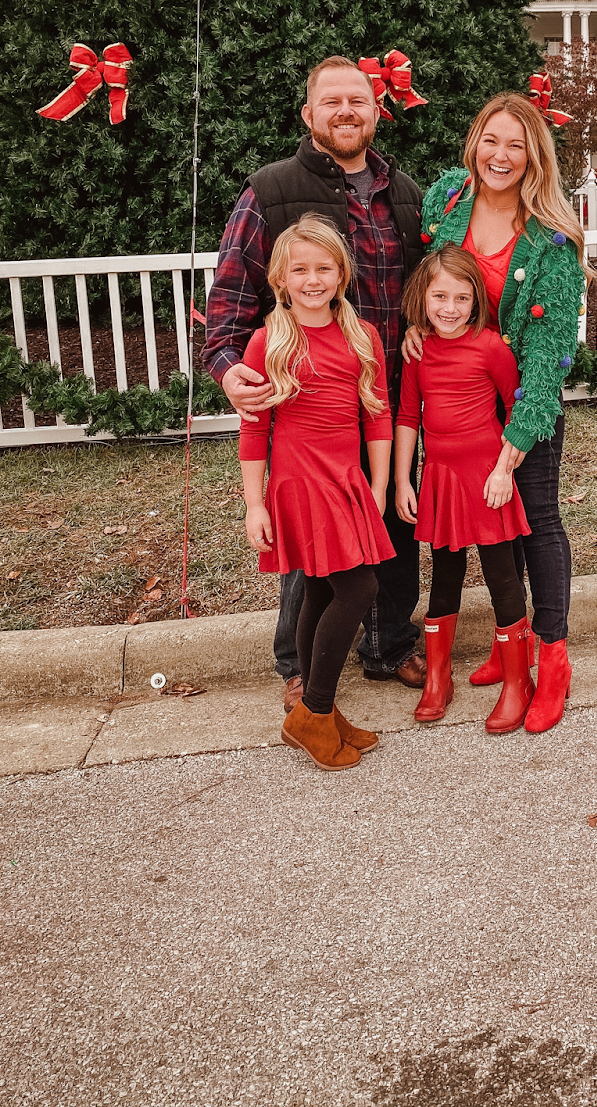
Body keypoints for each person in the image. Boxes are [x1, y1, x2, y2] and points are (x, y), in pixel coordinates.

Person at [203, 55, 427, 709]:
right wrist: (228, 371)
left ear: (376, 111)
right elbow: (227, 305)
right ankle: (299, 665)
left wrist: (423, 334)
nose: (346, 111)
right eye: (331, 102)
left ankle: (388, 644)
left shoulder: (404, 194)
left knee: (389, 527)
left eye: (357, 100)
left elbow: (423, 291)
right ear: (309, 115)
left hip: (381, 398)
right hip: (306, 406)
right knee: (313, 549)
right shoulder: (270, 191)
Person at [410, 93, 587, 733]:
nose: (500, 156)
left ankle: (553, 657)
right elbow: (424, 281)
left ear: (534, 156)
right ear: (474, 142)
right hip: (459, 403)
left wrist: (513, 447)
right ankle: (502, 644)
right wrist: (413, 331)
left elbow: (548, 353)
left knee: (534, 520)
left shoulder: (552, 243)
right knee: (489, 527)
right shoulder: (447, 201)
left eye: (516, 144)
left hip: (520, 404)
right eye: (491, 139)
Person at [239, 216, 393, 772]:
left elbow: (377, 416)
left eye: (323, 268)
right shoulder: (267, 340)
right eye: (300, 269)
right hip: (298, 483)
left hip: (346, 480)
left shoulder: (361, 335)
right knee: (358, 588)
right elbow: (254, 427)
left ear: (341, 273)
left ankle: (315, 713)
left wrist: (377, 485)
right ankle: (315, 711)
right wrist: (255, 504)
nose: (312, 279)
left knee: (327, 593)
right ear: (281, 276)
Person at [394, 245, 534, 735]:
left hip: (488, 477)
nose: (449, 308)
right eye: (439, 296)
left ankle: (519, 682)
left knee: (501, 575)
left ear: (476, 300)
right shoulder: (417, 351)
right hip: (441, 480)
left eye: (461, 297)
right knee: (445, 575)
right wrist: (401, 480)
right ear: (422, 297)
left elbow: (518, 409)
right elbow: (408, 416)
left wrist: (504, 470)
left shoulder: (491, 347)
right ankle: (438, 677)